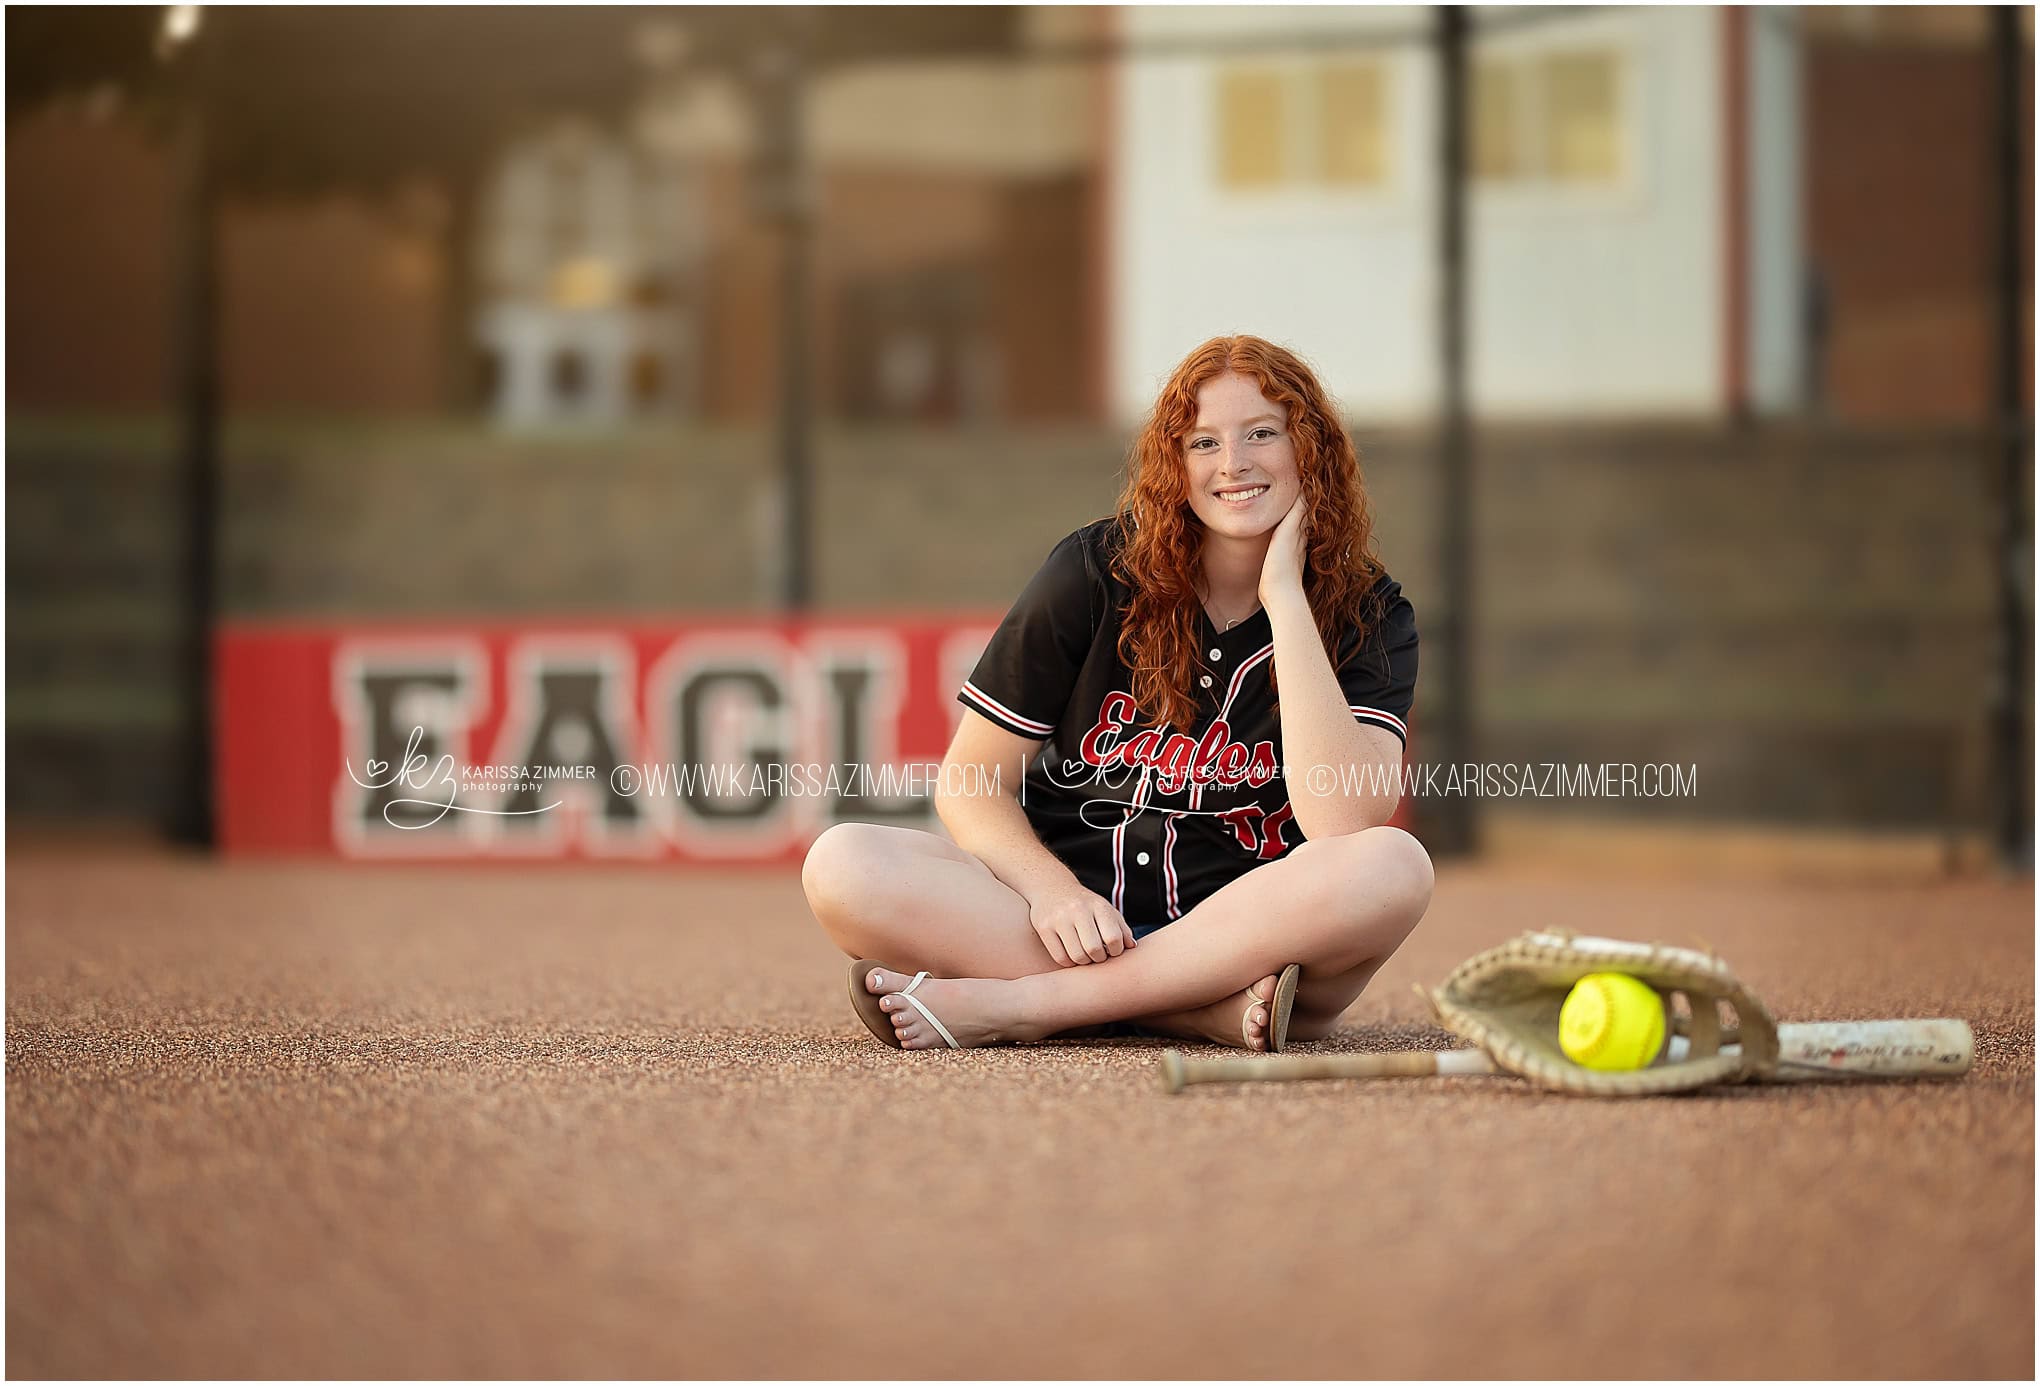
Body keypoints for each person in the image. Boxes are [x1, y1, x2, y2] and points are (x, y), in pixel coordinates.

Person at [802, 334, 1433, 1051]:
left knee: (1392, 865)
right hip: (1069, 930)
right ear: (1175, 464)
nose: (1233, 464)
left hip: (1247, 940)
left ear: (1309, 449)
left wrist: (1284, 597)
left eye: (1262, 433)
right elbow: (970, 782)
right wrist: (1052, 891)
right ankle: (1192, 1013)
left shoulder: (1368, 610)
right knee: (845, 865)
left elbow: (1342, 822)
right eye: (1202, 443)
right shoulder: (1094, 571)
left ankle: (1030, 1009)